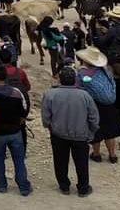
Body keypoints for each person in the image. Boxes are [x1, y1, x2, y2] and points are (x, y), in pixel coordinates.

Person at [42, 66, 99, 197]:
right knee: (82, 163)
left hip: (58, 134)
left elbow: (46, 118)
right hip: (80, 135)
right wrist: (91, 132)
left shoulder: (50, 94)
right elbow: (94, 118)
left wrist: (51, 127)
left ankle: (64, 186)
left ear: (60, 80)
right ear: (74, 80)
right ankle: (83, 188)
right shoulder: (85, 95)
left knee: (60, 161)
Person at [0, 64, 32, 196]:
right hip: (15, 132)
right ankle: (23, 187)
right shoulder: (16, 92)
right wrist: (18, 123)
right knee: (19, 160)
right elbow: (24, 111)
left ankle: (2, 185)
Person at [75, 47, 120, 163]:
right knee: (110, 132)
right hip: (109, 105)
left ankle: (96, 155)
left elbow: (77, 89)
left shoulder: (82, 73)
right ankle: (112, 156)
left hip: (94, 105)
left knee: (95, 131)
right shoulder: (105, 71)